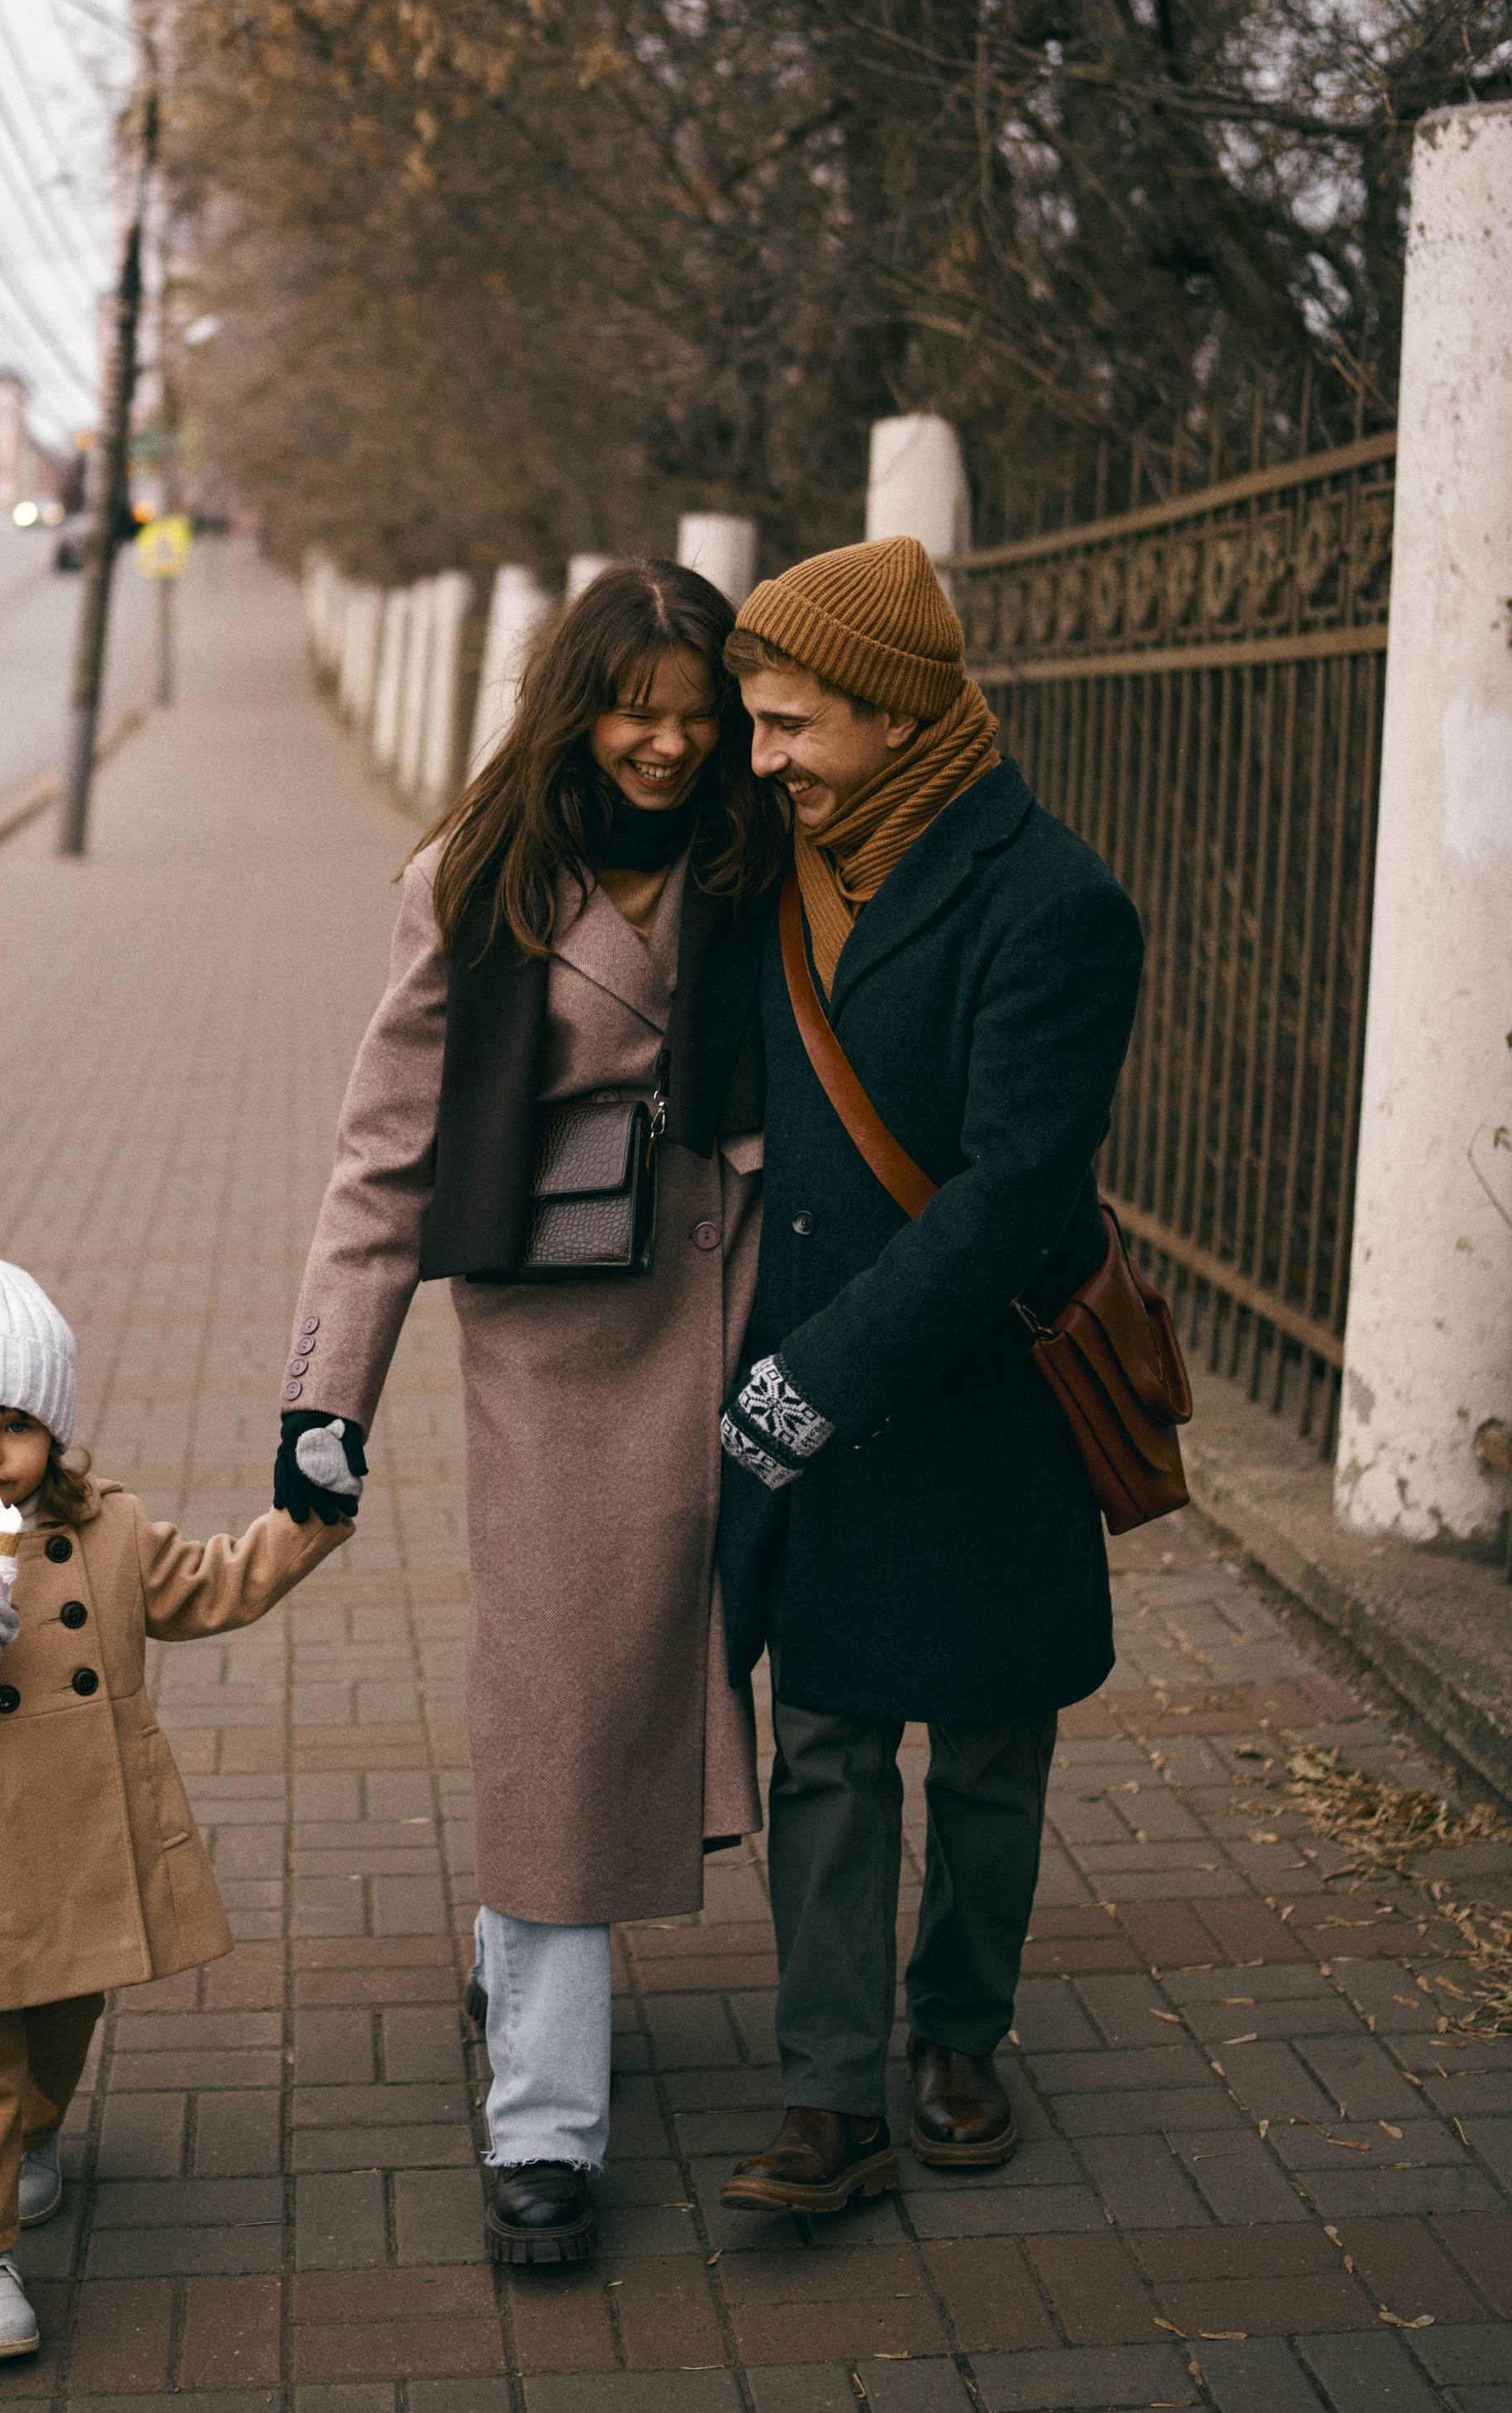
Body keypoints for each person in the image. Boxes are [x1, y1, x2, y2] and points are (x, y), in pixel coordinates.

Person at [276, 559, 788, 2267]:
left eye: (693, 704)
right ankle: (545, 2127)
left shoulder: (762, 850)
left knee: (741, 1679)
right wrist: (319, 1405)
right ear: (572, 700)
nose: (667, 736)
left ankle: (521, 1967)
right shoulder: (474, 879)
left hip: (755, 1317)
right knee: (562, 1702)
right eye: (634, 703)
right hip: (562, 1344)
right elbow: (384, 1152)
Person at [708, 534, 1143, 2218]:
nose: (766, 759)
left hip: (968, 1397)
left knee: (979, 1749)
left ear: (893, 714)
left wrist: (823, 1370)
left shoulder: (1054, 901)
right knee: (818, 1743)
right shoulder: (778, 861)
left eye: (793, 724)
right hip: (806, 1386)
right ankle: (828, 2092)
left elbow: (1015, 1189)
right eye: (754, 724)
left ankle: (958, 2032)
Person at [0, 1256, 352, 2363]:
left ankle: (36, 2125)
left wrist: (306, 1518)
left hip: (78, 1845)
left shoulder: (107, 1530)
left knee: (64, 2013)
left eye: (12, 1422)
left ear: (53, 1433)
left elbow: (208, 1584)